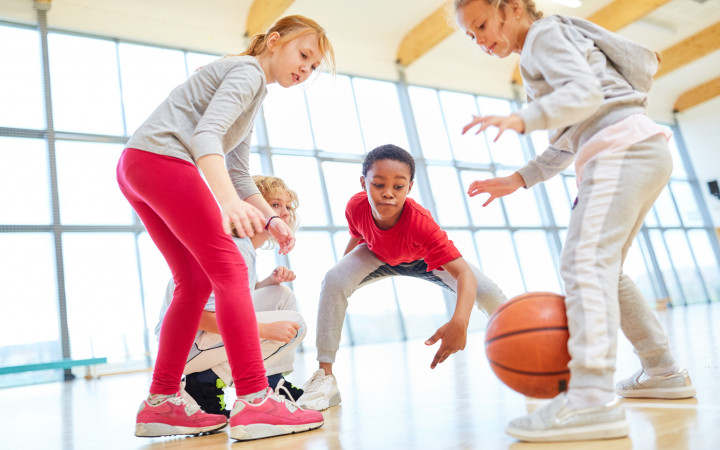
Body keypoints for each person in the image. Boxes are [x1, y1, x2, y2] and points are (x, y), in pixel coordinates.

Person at [454, 0, 696, 442]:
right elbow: (570, 138)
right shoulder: (542, 50)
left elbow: (584, 94)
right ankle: (662, 370)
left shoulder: (543, 37)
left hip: (621, 151)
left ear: (510, 8)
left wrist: (523, 118)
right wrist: (519, 178)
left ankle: (590, 398)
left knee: (583, 264)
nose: (482, 40)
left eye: (483, 24)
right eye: (472, 35)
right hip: (637, 148)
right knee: (606, 271)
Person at [116, 15, 334, 441]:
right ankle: (256, 400)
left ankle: (161, 402)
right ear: (274, 41)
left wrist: (269, 217)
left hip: (136, 165)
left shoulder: (251, 89)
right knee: (231, 268)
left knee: (194, 281)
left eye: (313, 68)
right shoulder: (250, 71)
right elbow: (206, 138)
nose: (305, 70)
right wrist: (231, 206)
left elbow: (236, 170)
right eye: (303, 55)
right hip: (162, 160)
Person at [296, 144, 507, 411]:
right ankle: (325, 375)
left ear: (410, 187)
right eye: (378, 184)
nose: (388, 193)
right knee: (334, 279)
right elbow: (357, 234)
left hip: (423, 259)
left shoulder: (420, 224)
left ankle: (523, 344)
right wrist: (344, 274)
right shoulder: (355, 206)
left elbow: (465, 275)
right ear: (364, 183)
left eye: (398, 187)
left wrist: (459, 322)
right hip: (377, 254)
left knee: (488, 293)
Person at [156, 175, 307, 417]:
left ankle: (272, 381)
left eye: (287, 206)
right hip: (186, 348)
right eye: (275, 204)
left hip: (201, 341)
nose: (285, 213)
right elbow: (194, 316)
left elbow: (232, 300)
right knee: (296, 325)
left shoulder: (242, 245)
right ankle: (203, 384)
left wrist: (269, 282)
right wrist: (263, 330)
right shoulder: (233, 249)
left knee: (281, 295)